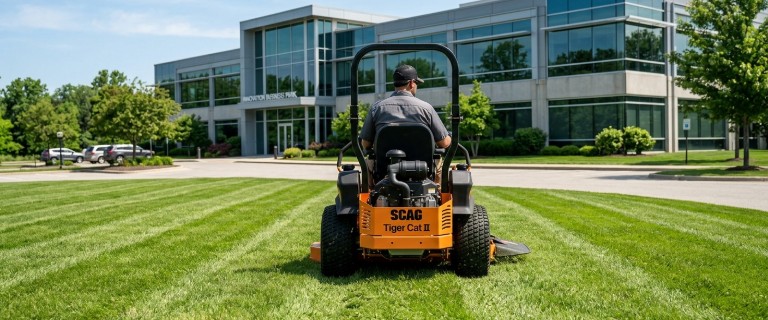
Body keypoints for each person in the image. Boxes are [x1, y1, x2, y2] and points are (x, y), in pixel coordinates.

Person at [359, 64, 451, 185]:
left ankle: (371, 195)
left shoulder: (377, 108)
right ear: (412, 83)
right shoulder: (426, 108)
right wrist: (449, 136)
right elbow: (444, 143)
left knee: (368, 163)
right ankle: (437, 191)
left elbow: (365, 144)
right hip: (423, 171)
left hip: (384, 171)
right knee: (440, 162)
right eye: (416, 83)